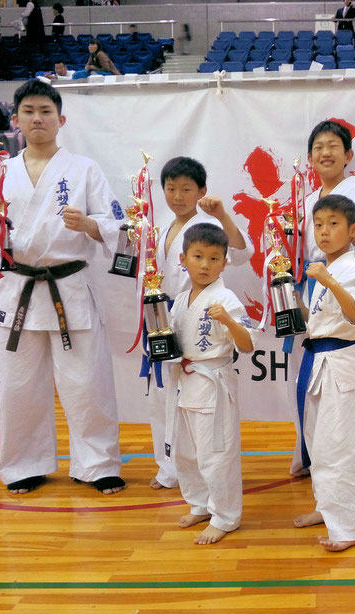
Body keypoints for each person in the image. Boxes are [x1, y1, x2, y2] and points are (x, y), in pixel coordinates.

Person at [0, 79, 126, 496]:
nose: (38, 118)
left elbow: (117, 226)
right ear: (15, 118)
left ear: (61, 119)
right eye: (29, 111)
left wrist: (88, 224)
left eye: (46, 111)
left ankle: (97, 463)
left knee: (86, 381)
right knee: (19, 384)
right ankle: (24, 464)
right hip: (17, 287)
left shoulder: (84, 169)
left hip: (68, 285)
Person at [288, 119, 355, 503]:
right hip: (312, 287)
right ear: (310, 156)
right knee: (313, 383)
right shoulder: (307, 195)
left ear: (348, 155)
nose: (324, 153)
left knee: (348, 387)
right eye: (317, 147)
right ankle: (313, 459)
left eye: (333, 146)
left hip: (344, 283)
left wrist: (349, 231)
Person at [145, 156, 253, 491]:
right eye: (171, 188)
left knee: (201, 409)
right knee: (163, 399)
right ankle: (170, 468)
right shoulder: (160, 227)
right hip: (166, 318)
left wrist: (221, 214)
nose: (177, 196)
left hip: (200, 319)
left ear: (201, 191)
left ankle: (210, 485)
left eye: (186, 189)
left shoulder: (209, 228)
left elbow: (241, 250)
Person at [167, 222, 257, 545]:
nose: (205, 265)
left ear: (225, 262)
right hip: (185, 382)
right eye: (198, 256)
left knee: (216, 453)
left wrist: (229, 322)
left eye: (214, 258)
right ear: (183, 258)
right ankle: (200, 504)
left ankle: (225, 516)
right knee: (187, 454)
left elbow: (247, 345)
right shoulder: (180, 300)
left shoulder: (227, 299)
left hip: (213, 384)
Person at [292, 194, 355, 551]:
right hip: (317, 362)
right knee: (319, 444)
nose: (324, 231)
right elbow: (314, 322)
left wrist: (329, 280)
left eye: (334, 224)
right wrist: (291, 295)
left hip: (340, 362)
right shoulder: (321, 268)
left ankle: (349, 528)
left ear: (353, 230)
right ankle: (326, 508)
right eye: (319, 224)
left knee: (340, 447)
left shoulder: (350, 269)